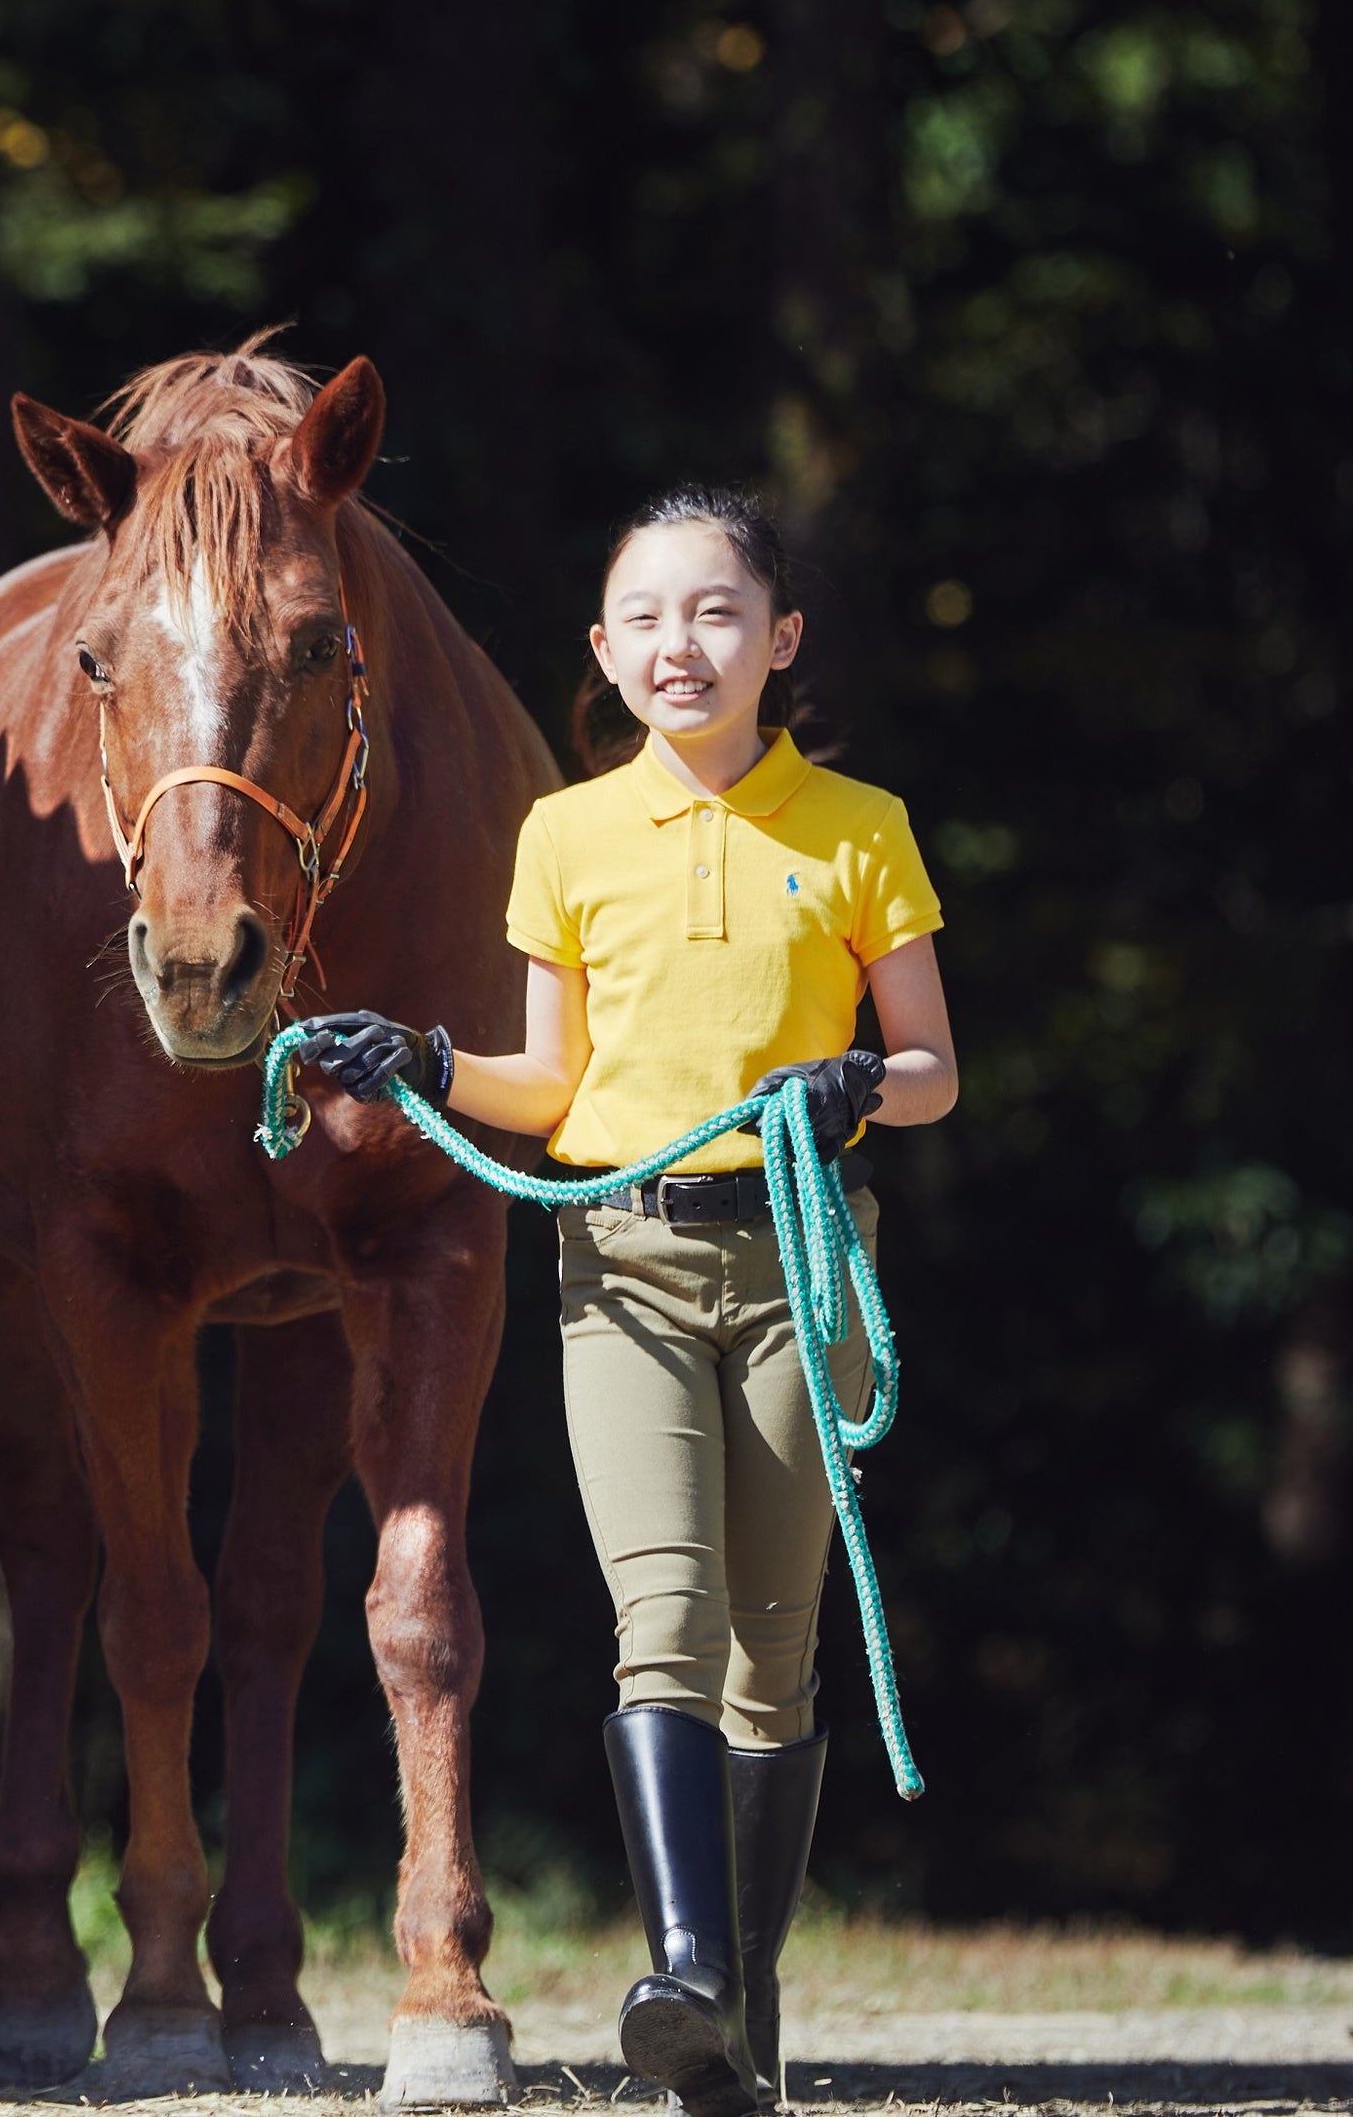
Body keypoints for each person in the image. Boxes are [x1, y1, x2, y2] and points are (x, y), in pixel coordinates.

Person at [295, 486, 957, 2113]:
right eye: (647, 618)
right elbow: (551, 1081)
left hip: (804, 1258)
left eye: (717, 612)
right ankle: (689, 1973)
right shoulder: (567, 836)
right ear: (603, 650)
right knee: (661, 1624)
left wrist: (859, 1084)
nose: (682, 644)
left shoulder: (860, 827)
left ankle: (739, 2017)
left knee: (773, 1654)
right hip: (625, 1266)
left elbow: (936, 1070)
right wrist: (426, 1061)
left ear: (780, 640)